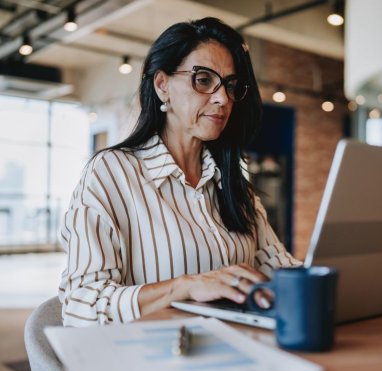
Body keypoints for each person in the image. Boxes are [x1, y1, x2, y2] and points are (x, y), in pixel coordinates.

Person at [58, 17, 300, 327]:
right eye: (203, 80)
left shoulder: (234, 184)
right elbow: (81, 305)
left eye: (230, 85)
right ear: (162, 86)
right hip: (157, 361)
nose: (222, 98)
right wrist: (185, 286)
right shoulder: (112, 173)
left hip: (242, 352)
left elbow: (281, 267)